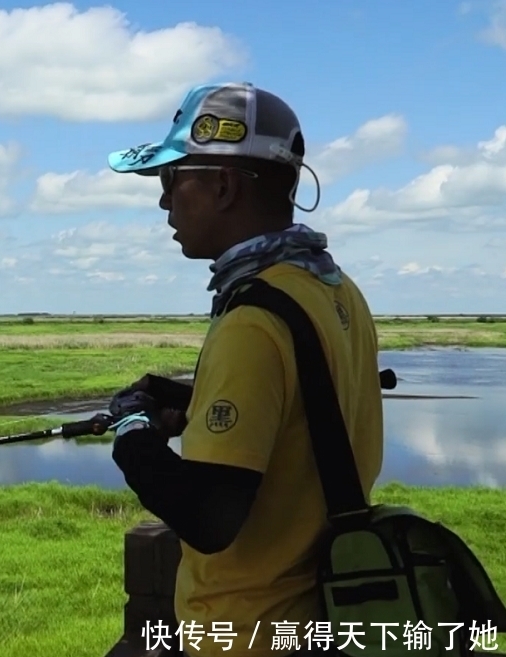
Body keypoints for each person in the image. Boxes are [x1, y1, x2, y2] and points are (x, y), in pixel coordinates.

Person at [100, 82, 385, 657]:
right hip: (319, 622)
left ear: (224, 186)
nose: (164, 203)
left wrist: (131, 430)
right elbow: (310, 416)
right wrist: (199, 400)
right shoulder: (335, 290)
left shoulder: (252, 321)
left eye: (171, 179)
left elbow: (209, 517)